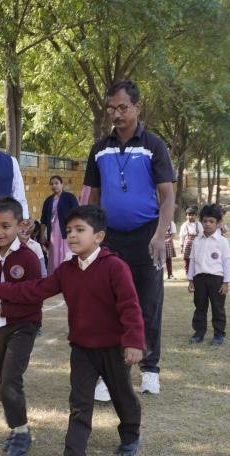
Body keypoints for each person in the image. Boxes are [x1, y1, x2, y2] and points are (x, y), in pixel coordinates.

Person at [0, 205, 145, 456]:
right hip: (82, 349)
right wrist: (1, 288)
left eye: (80, 230)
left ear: (99, 236)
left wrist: (134, 342)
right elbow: (36, 289)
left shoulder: (115, 267)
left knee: (121, 394)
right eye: (69, 230)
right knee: (79, 403)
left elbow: (130, 307)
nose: (72, 236)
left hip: (113, 348)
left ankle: (130, 433)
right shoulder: (67, 270)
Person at [84, 80, 176, 396]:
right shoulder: (99, 149)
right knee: (111, 306)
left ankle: (150, 369)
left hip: (147, 237)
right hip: (110, 239)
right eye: (111, 108)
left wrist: (160, 235)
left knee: (148, 303)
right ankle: (112, 374)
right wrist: (92, 238)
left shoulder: (154, 145)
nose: (117, 114)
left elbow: (167, 197)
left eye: (123, 107)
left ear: (137, 107)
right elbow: (93, 198)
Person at [0, 197, 41, 456]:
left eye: (6, 226)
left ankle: (22, 432)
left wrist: (2, 308)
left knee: (11, 380)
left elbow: (34, 299)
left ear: (19, 225)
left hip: (23, 326)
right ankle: (15, 428)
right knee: (2, 381)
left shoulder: (28, 257)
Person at [187, 204, 230, 346]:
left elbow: (226, 262)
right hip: (199, 278)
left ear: (218, 223)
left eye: (211, 221)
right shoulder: (196, 241)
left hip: (216, 279)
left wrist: (226, 282)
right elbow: (192, 260)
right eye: (205, 221)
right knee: (200, 306)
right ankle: (199, 332)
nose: (207, 224)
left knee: (218, 307)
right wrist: (190, 279)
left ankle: (219, 334)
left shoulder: (223, 241)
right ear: (201, 221)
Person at [40, 175, 79, 272]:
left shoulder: (69, 197)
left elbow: (77, 214)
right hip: (53, 233)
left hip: (67, 232)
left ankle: (68, 275)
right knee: (54, 255)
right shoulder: (48, 200)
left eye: (56, 183)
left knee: (67, 254)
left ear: (62, 184)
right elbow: (43, 219)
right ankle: (55, 275)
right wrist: (42, 235)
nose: (54, 186)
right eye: (52, 184)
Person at [179, 207, 200, 274]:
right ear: (186, 216)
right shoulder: (184, 225)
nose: (191, 217)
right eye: (189, 215)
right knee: (187, 258)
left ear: (196, 216)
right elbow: (181, 236)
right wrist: (181, 246)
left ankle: (196, 271)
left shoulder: (199, 224)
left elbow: (201, 234)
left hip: (197, 244)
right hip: (187, 244)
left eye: (193, 215)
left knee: (196, 258)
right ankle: (187, 272)